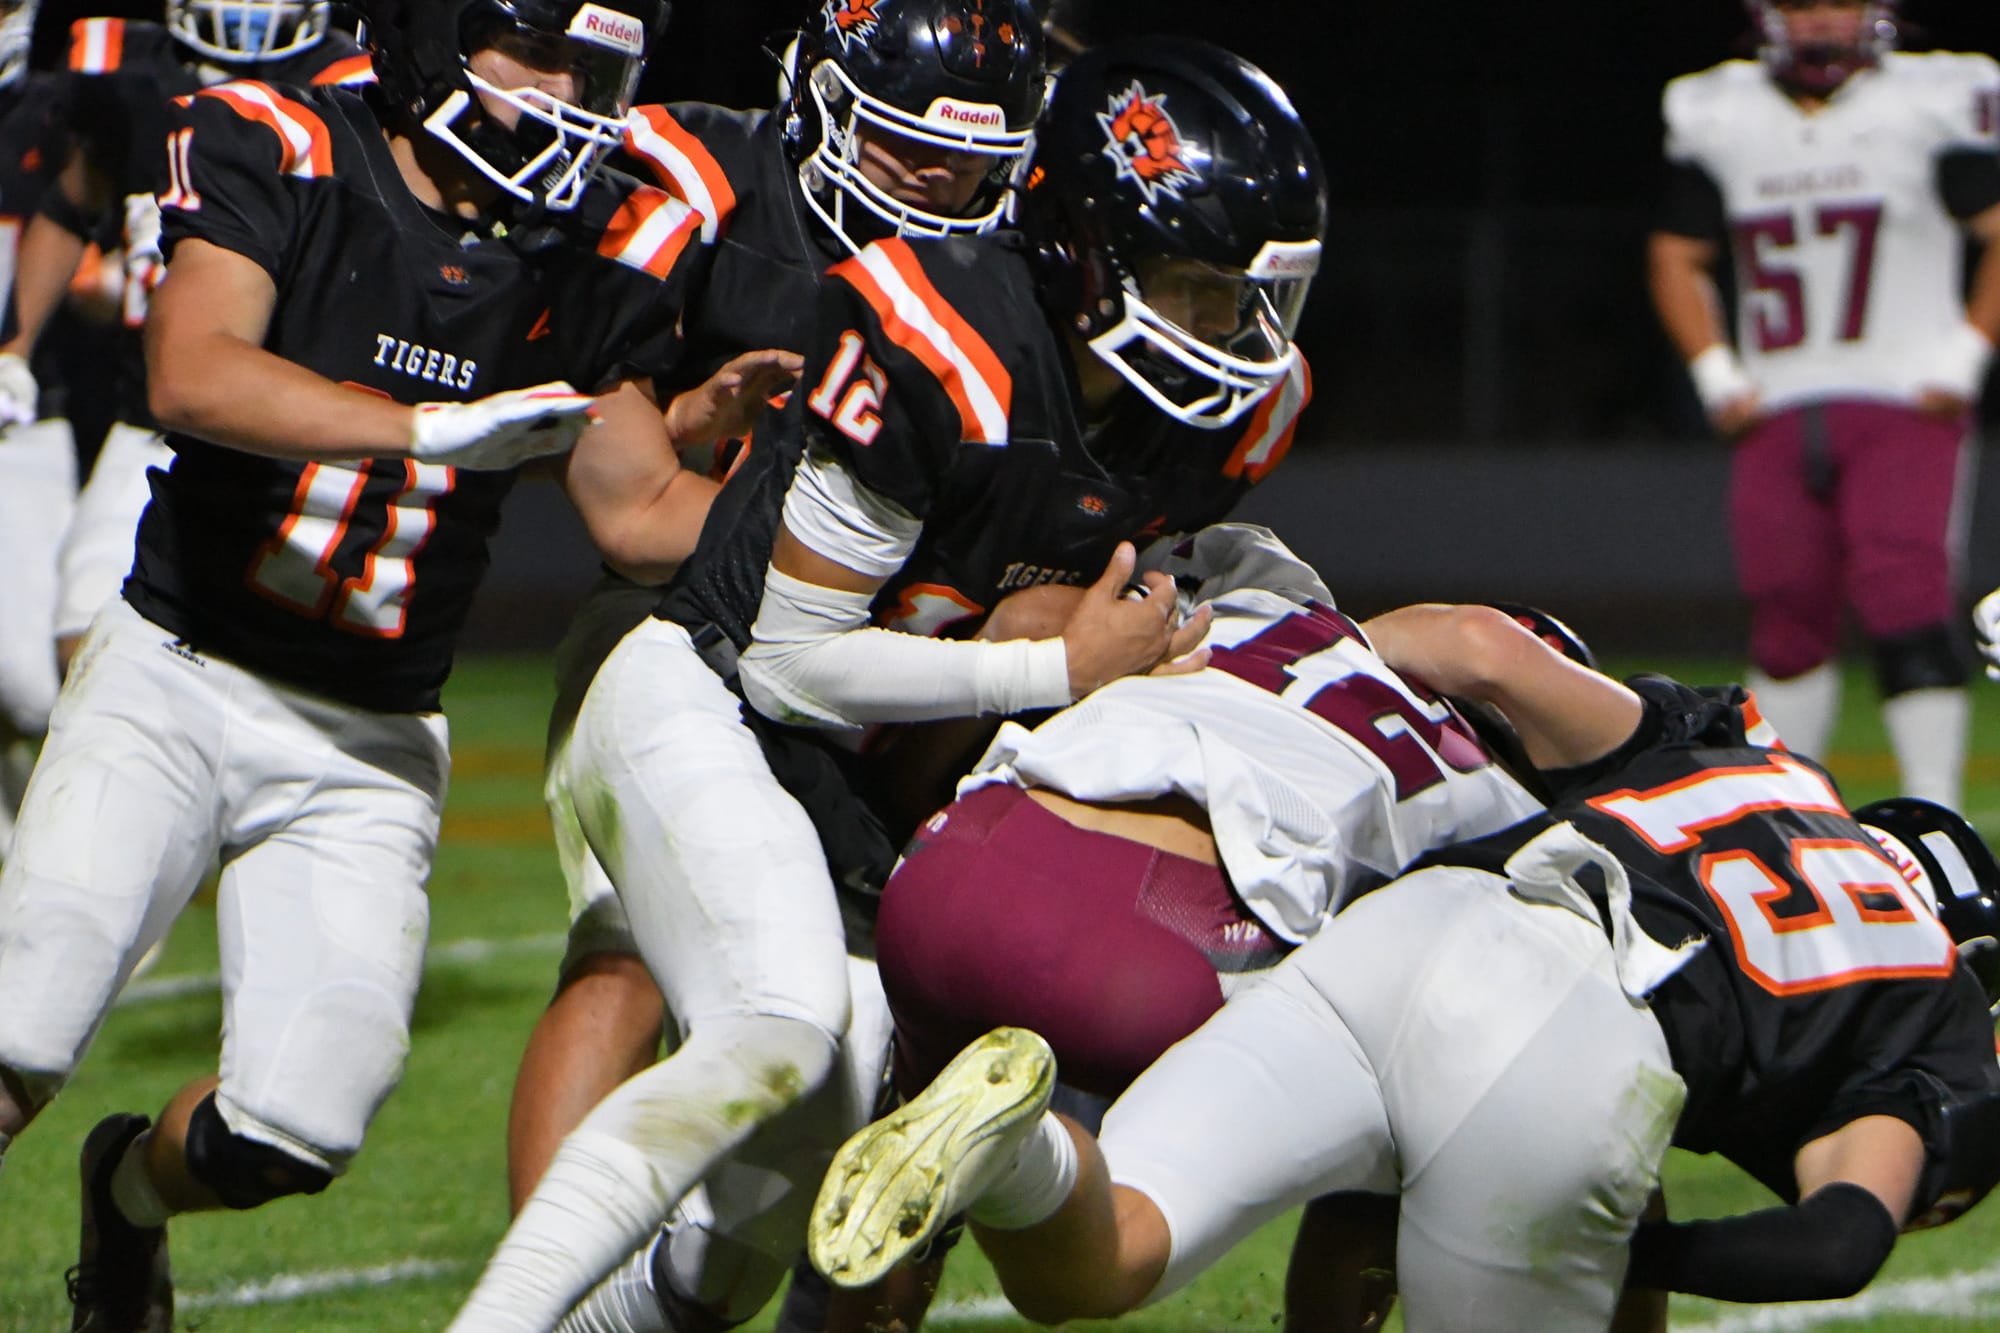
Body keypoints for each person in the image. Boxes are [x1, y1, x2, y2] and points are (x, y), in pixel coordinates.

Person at [453, 33, 1324, 1333]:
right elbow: (790, 660)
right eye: (1200, 292)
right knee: (780, 1029)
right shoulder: (946, 333)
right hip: (709, 694)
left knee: (756, 1220)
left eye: (1256, 300)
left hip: (861, 772)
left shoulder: (1230, 416)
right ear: (1088, 252)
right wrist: (1054, 660)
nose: (1237, 341)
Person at [0, 0, 728, 1327]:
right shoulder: (283, 132)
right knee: (16, 1041)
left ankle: (127, 1193)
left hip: (371, 737)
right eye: (541, 55)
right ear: (438, 35)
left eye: (597, 70)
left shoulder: (597, 238)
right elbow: (195, 372)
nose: (572, 96)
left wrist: (803, 498)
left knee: (289, 1132)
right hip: (178, 669)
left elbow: (632, 515)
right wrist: (426, 430)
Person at [808, 611, 2000, 1332]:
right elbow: (1834, 1245)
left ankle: (1018, 1149)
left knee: (1103, 1254)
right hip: (1561, 1032)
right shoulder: (1930, 1001)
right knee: (1603, 1191)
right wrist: (1618, 1257)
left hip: (1414, 926)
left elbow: (1480, 649)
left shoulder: (1753, 759)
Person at [506, 0, 1048, 1218]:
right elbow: (634, 514)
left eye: (974, 158)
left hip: (898, 653)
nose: (941, 182)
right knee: (625, 960)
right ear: (816, 103)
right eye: (906, 146)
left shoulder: (1020, 267)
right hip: (677, 621)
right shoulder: (695, 179)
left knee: (923, 989)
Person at [873, 524, 1546, 1099]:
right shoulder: (1495, 790)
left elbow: (1027, 619)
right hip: (1152, 957)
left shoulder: (1260, 606)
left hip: (952, 868)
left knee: (903, 1180)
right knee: (1400, 1086)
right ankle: (1045, 1178)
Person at [1647, 0, 2000, 809]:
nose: (1820, 23)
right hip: (1778, 398)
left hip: (1903, 391)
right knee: (1786, 608)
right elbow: (1676, 252)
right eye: (1803, 5)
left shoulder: (1929, 100)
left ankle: (1936, 812)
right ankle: (1792, 806)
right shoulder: (1720, 110)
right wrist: (1716, 375)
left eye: (1838, 2)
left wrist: (1964, 354)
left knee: (1905, 593)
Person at [0, 1, 375, 700]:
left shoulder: (352, 85)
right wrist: (14, 349)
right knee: (80, 640)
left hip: (291, 421)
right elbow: (70, 204)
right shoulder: (127, 75)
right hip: (154, 418)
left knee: (296, 664)